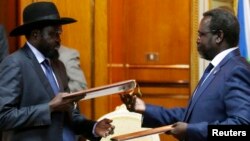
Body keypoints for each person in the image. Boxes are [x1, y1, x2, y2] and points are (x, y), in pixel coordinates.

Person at [120, 7, 250, 141]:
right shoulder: (217, 68)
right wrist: (144, 108)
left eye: (202, 35)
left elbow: (240, 129)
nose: (197, 40)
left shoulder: (236, 70)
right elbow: (191, 116)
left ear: (219, 36)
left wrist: (191, 131)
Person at [0, 2, 114, 141]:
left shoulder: (58, 65)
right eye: (53, 34)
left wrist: (93, 127)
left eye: (59, 33)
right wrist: (49, 108)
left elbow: (70, 113)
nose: (59, 40)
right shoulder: (15, 63)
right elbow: (3, 117)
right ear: (35, 35)